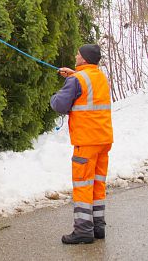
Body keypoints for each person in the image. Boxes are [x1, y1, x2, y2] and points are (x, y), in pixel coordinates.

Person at [50, 44, 113, 245]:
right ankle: (98, 227)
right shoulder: (100, 77)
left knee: (83, 184)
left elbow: (60, 104)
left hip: (86, 141)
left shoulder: (77, 80)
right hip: (103, 140)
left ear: (84, 59)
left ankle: (83, 231)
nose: (75, 55)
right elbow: (85, 89)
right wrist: (72, 76)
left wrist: (55, 96)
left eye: (78, 54)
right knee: (97, 183)